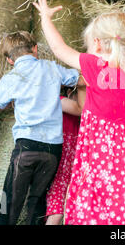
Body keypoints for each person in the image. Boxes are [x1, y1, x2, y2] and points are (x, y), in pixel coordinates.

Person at [33, 0, 125, 225]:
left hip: (99, 157)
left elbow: (59, 48)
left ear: (97, 43)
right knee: (122, 213)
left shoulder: (95, 65)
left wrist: (45, 18)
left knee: (92, 211)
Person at [0, 31, 79, 225]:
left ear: (9, 60)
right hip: (53, 150)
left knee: (9, 199)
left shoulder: (11, 77)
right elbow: (76, 78)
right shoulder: (51, 68)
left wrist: (13, 101)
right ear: (35, 49)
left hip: (26, 147)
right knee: (38, 202)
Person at [45, 86, 83, 225]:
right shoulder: (60, 101)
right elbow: (81, 109)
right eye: (81, 93)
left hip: (70, 164)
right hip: (61, 161)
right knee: (57, 209)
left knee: (64, 206)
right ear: (69, 92)